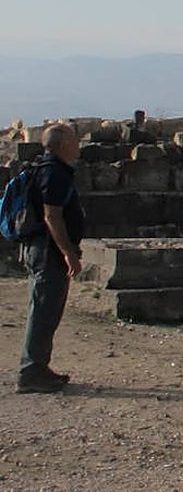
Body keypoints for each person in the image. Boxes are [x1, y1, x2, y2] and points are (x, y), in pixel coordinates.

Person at [16, 123, 85, 394]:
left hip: (42, 250)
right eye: (73, 139)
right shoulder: (54, 172)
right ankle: (31, 370)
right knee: (44, 309)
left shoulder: (49, 169)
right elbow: (51, 215)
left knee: (47, 309)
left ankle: (38, 367)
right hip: (47, 253)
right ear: (62, 145)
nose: (78, 143)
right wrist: (68, 252)